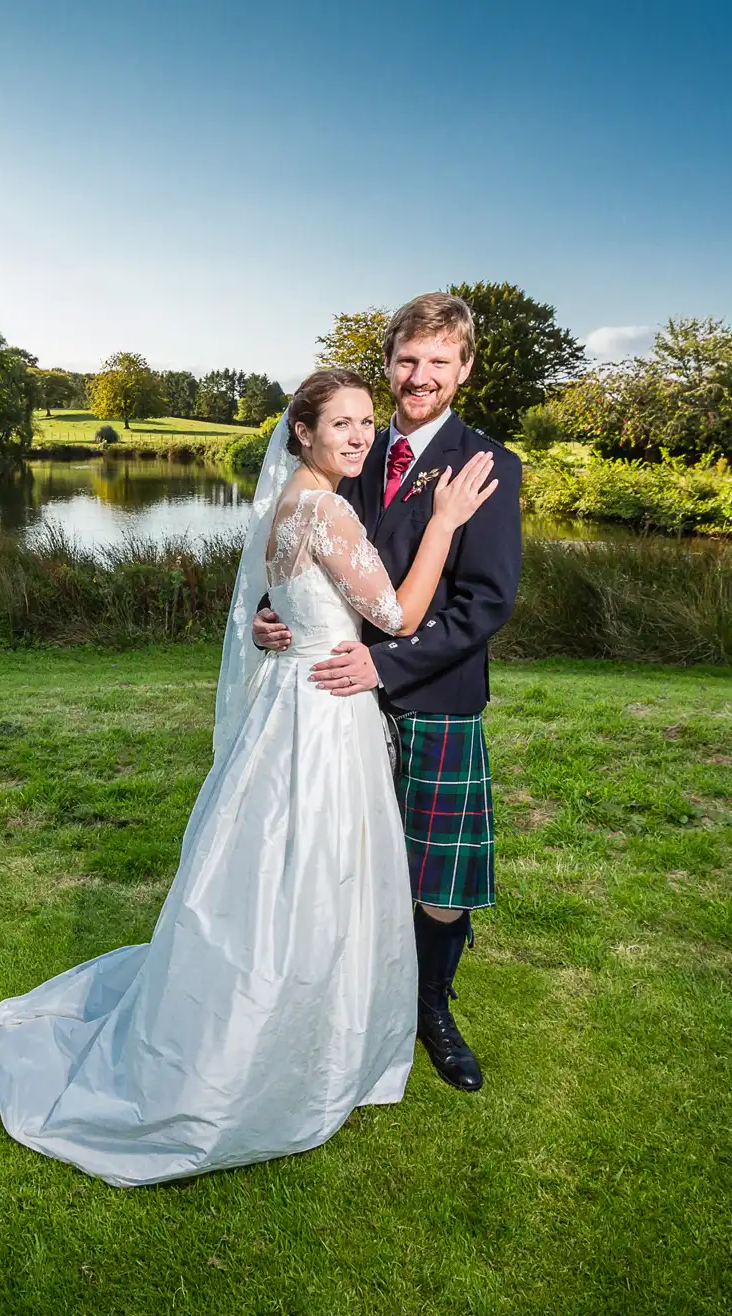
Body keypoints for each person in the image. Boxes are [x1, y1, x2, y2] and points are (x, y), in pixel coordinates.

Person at [0, 368, 500, 1187]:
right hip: (325, 717)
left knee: (283, 871)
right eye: (344, 423)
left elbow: (286, 609)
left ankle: (311, 1021)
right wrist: (441, 523)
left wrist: (276, 628)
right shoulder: (325, 507)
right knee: (318, 872)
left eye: (368, 422)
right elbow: (397, 617)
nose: (362, 435)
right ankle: (286, 1046)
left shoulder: (285, 506)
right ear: (303, 433)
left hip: (294, 704)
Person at [253, 293, 524, 1094]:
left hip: (434, 697)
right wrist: (278, 614)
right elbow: (315, 558)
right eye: (409, 359)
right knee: (343, 863)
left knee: (439, 880)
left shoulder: (488, 466)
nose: (420, 377)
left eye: (440, 362)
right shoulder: (355, 448)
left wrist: (389, 666)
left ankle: (431, 1009)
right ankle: (344, 996)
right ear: (390, 362)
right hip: (339, 705)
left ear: (465, 369)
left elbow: (486, 601)